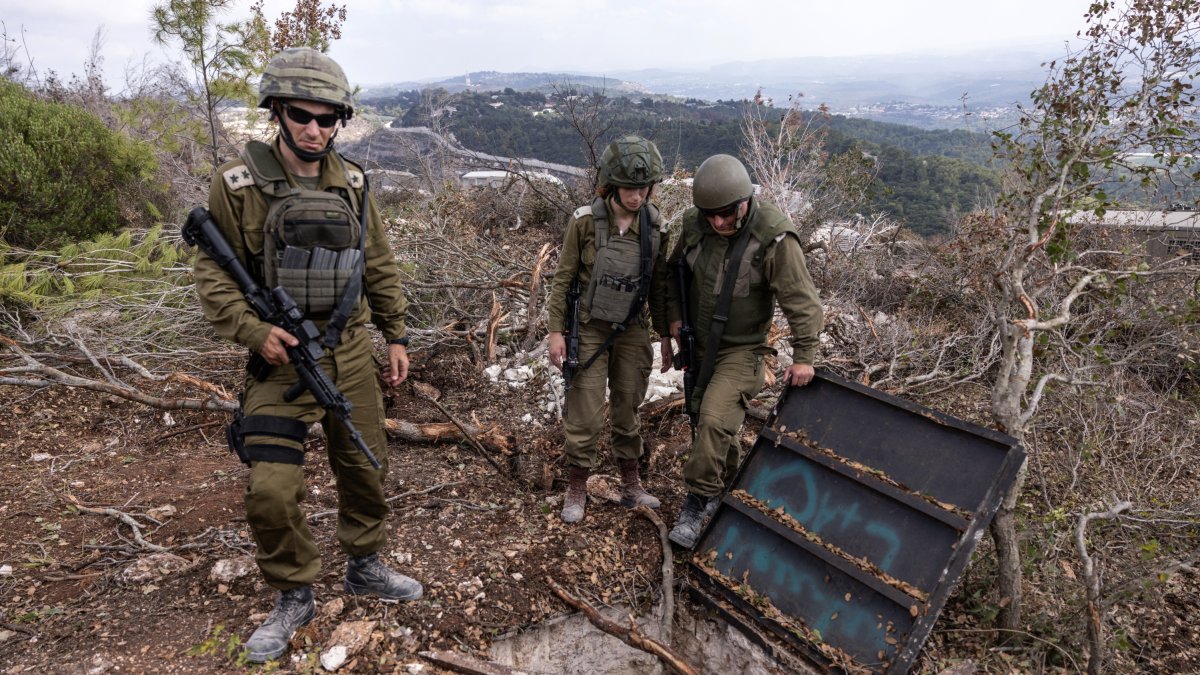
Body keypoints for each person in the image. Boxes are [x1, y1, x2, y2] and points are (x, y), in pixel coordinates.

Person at [192, 47, 422, 664]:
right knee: (270, 490)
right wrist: (252, 331)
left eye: (328, 119)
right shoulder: (237, 186)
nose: (315, 129)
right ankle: (293, 591)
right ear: (277, 112)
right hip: (280, 360)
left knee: (366, 465)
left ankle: (364, 564)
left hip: (347, 350)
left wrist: (395, 334)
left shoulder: (352, 181)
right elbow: (213, 274)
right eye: (302, 116)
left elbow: (377, 261)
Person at [664, 154, 823, 548]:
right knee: (705, 419)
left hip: (741, 350)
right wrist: (670, 322)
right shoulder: (694, 225)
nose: (718, 223)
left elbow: (803, 302)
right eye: (710, 214)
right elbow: (672, 276)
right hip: (697, 344)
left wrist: (804, 357)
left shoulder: (773, 238)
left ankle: (697, 503)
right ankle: (736, 483)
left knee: (715, 421)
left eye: (726, 214)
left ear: (744, 202)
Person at [546, 135, 672, 523]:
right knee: (584, 412)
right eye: (630, 188)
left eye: (644, 188)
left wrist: (666, 336)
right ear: (612, 183)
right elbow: (563, 279)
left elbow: (660, 288)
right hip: (588, 327)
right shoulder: (585, 222)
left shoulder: (655, 226)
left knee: (628, 406)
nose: (637, 196)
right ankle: (577, 486)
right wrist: (555, 332)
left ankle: (631, 484)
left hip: (632, 328)